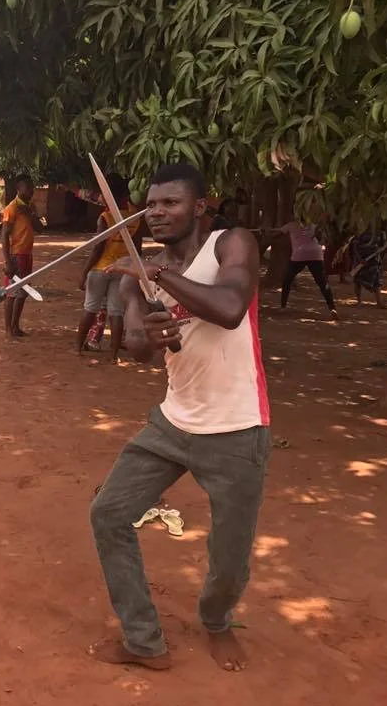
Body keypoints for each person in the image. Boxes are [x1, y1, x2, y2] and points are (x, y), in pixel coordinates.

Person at [89, 163, 271, 674]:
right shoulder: (139, 277)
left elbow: (232, 306)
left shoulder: (231, 245)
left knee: (230, 556)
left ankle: (216, 622)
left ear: (200, 206)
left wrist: (159, 277)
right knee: (108, 514)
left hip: (238, 426)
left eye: (171, 203)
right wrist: (152, 331)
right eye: (150, 205)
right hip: (172, 423)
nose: (158, 213)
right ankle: (144, 641)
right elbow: (137, 351)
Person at [76, 195, 142, 359]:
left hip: (101, 268)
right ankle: (114, 355)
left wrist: (84, 272)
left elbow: (98, 247)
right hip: (122, 270)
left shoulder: (105, 217)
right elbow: (137, 249)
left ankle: (77, 347)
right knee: (116, 312)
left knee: (90, 307)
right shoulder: (134, 218)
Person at [274, 218, 339, 319]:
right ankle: (332, 308)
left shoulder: (291, 225)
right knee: (323, 283)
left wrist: (265, 231)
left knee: (287, 279)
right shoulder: (314, 225)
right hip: (316, 254)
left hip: (299, 255)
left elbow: (276, 234)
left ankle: (283, 307)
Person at [1, 174, 39, 338]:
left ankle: (15, 326)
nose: (31, 190)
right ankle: (9, 330)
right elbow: (4, 235)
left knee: (23, 292)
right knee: (11, 293)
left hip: (27, 254)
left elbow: (40, 228)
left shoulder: (30, 206)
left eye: (32, 187)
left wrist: (31, 213)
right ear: (19, 188)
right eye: (27, 187)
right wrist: (7, 261)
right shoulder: (12, 208)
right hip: (16, 254)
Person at [350, 221, 387, 307]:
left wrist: (379, 256)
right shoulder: (360, 231)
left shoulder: (378, 232)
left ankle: (379, 302)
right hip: (360, 260)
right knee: (357, 281)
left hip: (373, 259)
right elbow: (355, 246)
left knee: (376, 281)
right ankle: (359, 301)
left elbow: (382, 246)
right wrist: (360, 259)